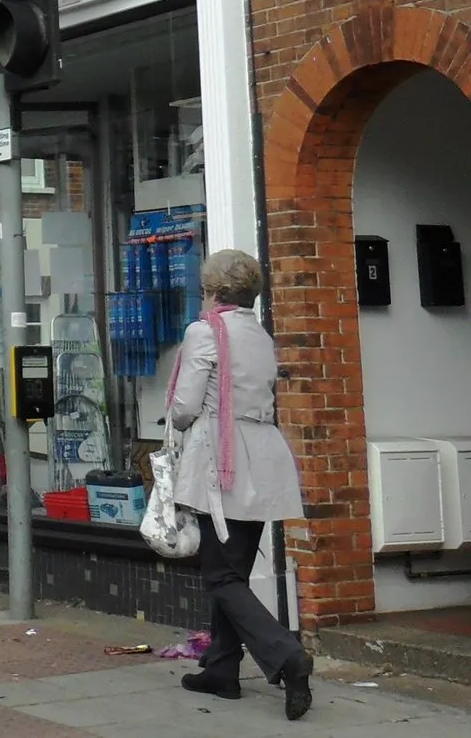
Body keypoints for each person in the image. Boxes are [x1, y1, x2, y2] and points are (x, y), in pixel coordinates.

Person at [167, 248, 314, 721]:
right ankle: (223, 671)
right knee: (234, 568)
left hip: (220, 459)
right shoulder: (258, 333)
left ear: (212, 291)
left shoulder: (204, 331)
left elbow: (185, 407)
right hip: (263, 455)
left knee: (220, 575)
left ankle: (285, 655)